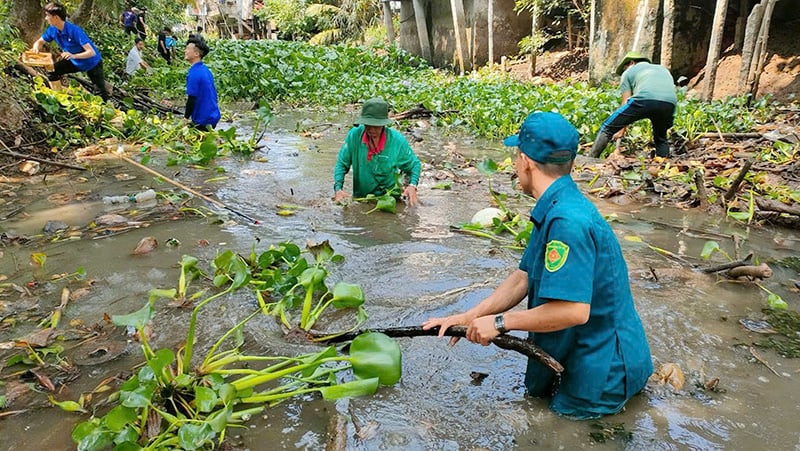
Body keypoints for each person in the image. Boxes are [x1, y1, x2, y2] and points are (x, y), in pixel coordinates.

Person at [423, 111, 653, 420]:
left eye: (516, 157)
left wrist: (500, 323)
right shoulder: (558, 205)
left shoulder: (567, 222)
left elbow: (574, 311)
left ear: (525, 160)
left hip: (603, 371)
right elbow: (523, 277)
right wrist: (471, 316)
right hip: (592, 354)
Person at [333, 98, 421, 206]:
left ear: (383, 125)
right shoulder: (354, 135)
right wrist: (338, 189)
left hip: (390, 200)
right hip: (361, 199)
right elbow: (342, 164)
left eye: (376, 126)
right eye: (367, 125)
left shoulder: (396, 141)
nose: (371, 130)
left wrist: (412, 186)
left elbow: (414, 165)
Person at [589, 51, 677, 159]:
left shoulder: (628, 72)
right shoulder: (662, 69)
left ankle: (591, 159)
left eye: (624, 68)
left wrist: (621, 129)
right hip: (669, 104)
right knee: (661, 137)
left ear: (630, 63)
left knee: (607, 128)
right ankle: (663, 164)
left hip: (644, 100)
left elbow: (625, 101)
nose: (624, 71)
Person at [32, 2, 109, 101]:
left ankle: (104, 110)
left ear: (56, 18)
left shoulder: (75, 31)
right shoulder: (52, 30)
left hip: (91, 62)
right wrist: (36, 47)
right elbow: (40, 41)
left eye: (48, 16)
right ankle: (58, 97)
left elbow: (91, 52)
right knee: (52, 71)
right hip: (74, 61)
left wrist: (73, 55)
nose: (46, 18)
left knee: (100, 92)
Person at [184, 36, 220, 130]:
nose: (185, 51)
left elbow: (191, 99)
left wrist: (185, 118)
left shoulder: (194, 73)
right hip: (213, 117)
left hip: (202, 121)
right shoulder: (206, 70)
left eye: (188, 49)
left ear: (196, 54)